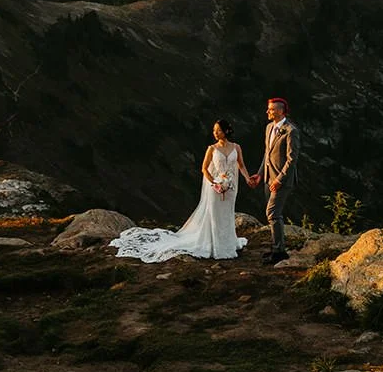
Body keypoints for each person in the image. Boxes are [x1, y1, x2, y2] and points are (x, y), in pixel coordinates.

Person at [111, 118, 249, 262]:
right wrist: (214, 183)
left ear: (226, 131)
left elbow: (241, 165)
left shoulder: (236, 147)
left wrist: (247, 178)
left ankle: (228, 242)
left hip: (231, 187)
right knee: (215, 215)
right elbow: (204, 169)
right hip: (215, 188)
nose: (215, 133)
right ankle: (216, 246)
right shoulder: (212, 149)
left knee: (226, 214)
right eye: (214, 131)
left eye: (218, 130)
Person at [247, 97, 297, 263]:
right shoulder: (269, 128)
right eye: (268, 109)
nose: (268, 111)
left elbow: (292, 159)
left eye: (271, 109)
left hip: (281, 180)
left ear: (281, 111)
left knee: (273, 213)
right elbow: (267, 154)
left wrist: (280, 180)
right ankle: (278, 248)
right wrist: (260, 173)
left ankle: (279, 252)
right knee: (274, 215)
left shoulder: (291, 131)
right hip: (268, 178)